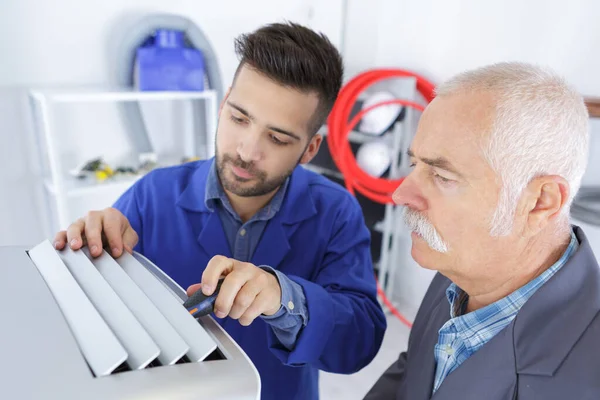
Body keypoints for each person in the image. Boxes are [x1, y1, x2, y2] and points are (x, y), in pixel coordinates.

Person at [54, 22, 387, 400]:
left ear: (310, 149)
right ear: (224, 102)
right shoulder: (153, 193)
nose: (246, 150)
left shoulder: (336, 212)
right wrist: (92, 252)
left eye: (277, 138)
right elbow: (95, 318)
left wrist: (284, 299)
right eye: (239, 118)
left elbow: (360, 343)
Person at [364, 62, 600, 399]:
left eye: (442, 177)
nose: (401, 194)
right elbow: (415, 374)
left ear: (540, 203)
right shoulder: (460, 269)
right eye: (415, 164)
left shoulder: (586, 378)